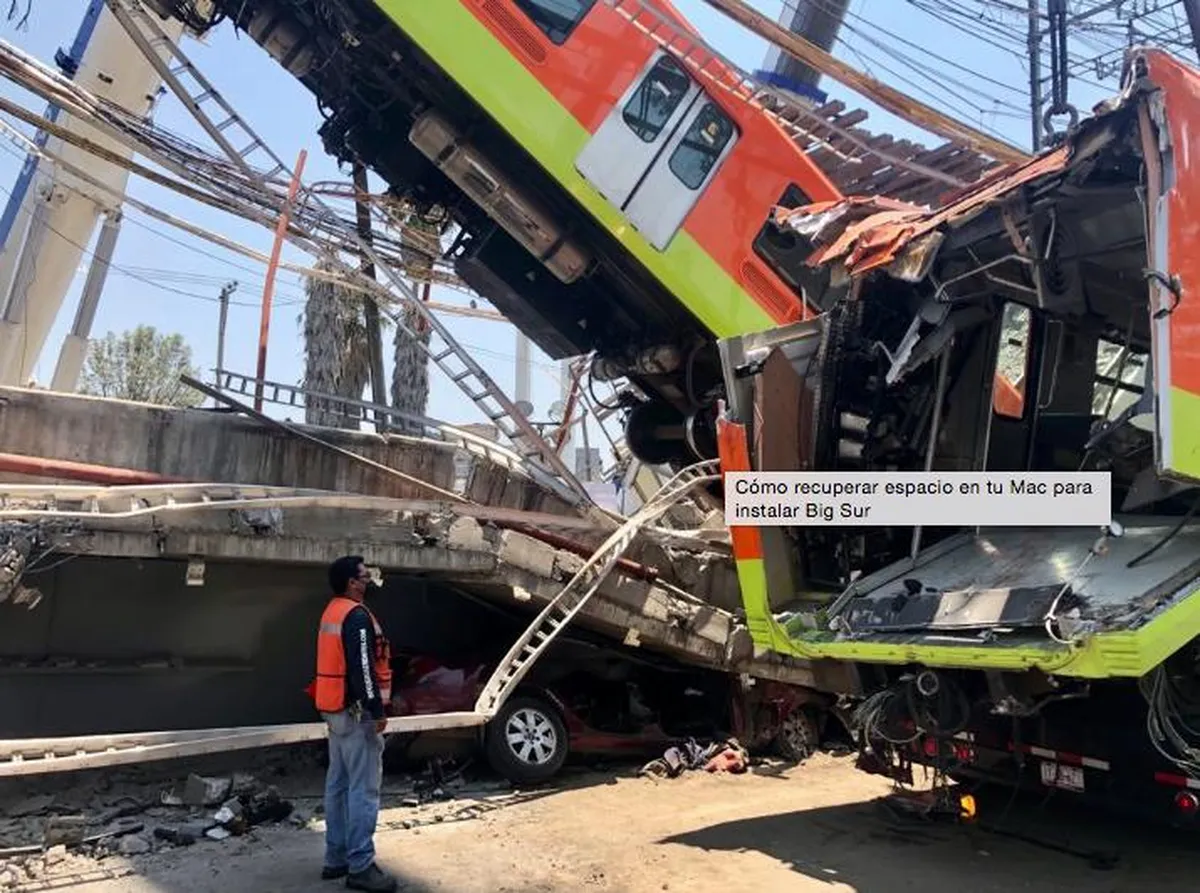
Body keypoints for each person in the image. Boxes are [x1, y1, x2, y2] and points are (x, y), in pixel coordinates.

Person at [308, 555, 398, 892]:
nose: (368, 580)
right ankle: (360, 866)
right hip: (356, 713)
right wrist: (377, 711)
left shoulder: (332, 610)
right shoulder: (356, 616)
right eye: (364, 576)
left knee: (339, 783)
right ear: (351, 582)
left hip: (334, 710)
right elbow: (363, 668)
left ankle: (336, 859)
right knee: (364, 789)